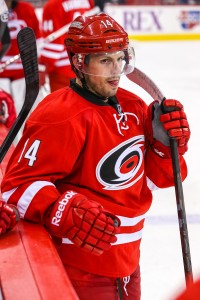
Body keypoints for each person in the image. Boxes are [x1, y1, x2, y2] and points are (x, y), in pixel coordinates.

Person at [1, 13, 190, 300]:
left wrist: (165, 150)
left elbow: (151, 182)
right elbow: (14, 188)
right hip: (80, 267)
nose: (116, 71)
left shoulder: (134, 105)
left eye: (120, 58)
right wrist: (59, 207)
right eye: (105, 61)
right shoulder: (58, 115)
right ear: (79, 63)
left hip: (129, 263)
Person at [40, 0, 95, 92]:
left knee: (63, 105)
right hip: (87, 67)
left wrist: (43, 68)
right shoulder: (87, 1)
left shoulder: (53, 5)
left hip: (63, 73)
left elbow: (53, 47)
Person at [0, 0, 42, 116]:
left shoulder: (26, 9)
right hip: (2, 76)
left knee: (28, 116)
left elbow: (37, 40)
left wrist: (40, 69)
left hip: (24, 75)